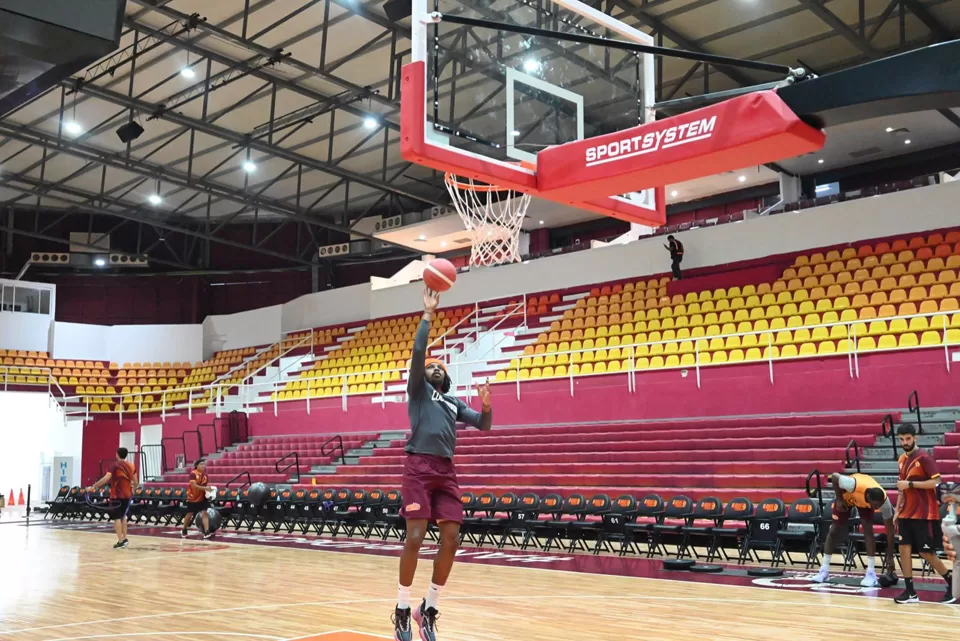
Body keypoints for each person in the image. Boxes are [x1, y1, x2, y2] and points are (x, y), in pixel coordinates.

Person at [393, 287, 493, 641]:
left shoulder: (452, 402)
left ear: (446, 378)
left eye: (439, 367)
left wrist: (486, 405)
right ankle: (402, 609)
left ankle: (428, 608)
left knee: (451, 538)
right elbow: (419, 352)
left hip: (446, 472)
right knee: (416, 536)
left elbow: (484, 425)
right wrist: (427, 314)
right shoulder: (418, 392)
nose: (433, 367)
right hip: (418, 467)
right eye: (430, 366)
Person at [893, 424, 953, 604]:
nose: (905, 442)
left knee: (926, 552)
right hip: (906, 513)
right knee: (903, 548)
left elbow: (936, 482)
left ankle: (953, 584)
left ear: (915, 437)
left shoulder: (924, 458)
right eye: (902, 439)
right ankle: (910, 591)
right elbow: (901, 486)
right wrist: (897, 509)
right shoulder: (901, 459)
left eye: (908, 439)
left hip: (924, 513)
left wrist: (911, 485)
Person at [812, 472, 896, 587]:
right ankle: (824, 570)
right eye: (875, 506)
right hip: (847, 497)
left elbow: (890, 531)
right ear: (868, 498)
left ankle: (871, 573)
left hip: (864, 503)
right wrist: (839, 498)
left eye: (879, 506)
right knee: (834, 531)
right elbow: (835, 477)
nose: (877, 508)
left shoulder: (883, 502)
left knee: (868, 532)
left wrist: (890, 556)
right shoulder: (852, 484)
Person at [87, 447, 138, 549]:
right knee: (124, 516)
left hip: (116, 496)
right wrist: (132, 488)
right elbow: (136, 483)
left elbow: (106, 478)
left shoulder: (115, 466)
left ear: (117, 454)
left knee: (117, 518)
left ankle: (120, 541)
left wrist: (93, 487)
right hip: (127, 495)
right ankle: (125, 538)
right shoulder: (132, 466)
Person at [181, 459, 214, 539]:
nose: (203, 466)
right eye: (201, 464)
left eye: (204, 464)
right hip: (193, 497)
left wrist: (209, 492)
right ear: (197, 465)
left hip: (202, 497)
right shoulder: (193, 474)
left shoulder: (205, 475)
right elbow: (194, 486)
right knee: (190, 514)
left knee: (204, 513)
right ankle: (184, 528)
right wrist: (205, 488)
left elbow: (205, 486)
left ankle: (206, 532)